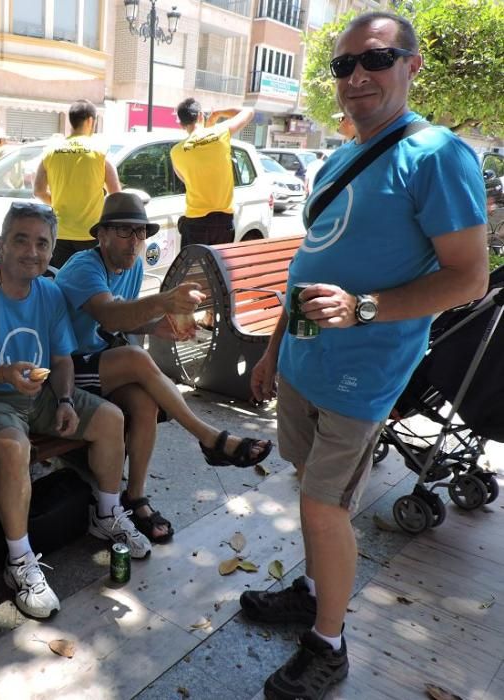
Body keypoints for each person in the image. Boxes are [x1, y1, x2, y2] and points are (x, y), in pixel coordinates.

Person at [242, 12, 488, 700]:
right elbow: (305, 262)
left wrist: (364, 309)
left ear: (410, 65)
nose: (356, 76)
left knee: (324, 505)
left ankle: (327, 643)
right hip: (303, 362)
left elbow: (467, 277)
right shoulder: (342, 152)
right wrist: (272, 349)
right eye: (342, 65)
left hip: (362, 372)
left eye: (374, 60)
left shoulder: (438, 155)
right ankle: (315, 589)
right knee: (307, 486)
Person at [0, 201, 151, 619]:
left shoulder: (49, 292)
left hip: (40, 393)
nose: (32, 251)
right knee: (15, 449)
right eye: (21, 240)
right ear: (2, 244)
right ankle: (19, 561)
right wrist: (2, 373)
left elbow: (63, 358)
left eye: (42, 244)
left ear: (52, 252)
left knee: (110, 418)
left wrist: (66, 399)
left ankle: (106, 514)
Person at [55, 192, 273, 544]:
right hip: (61, 367)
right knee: (137, 359)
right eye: (125, 232)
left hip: (97, 362)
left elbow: (125, 319)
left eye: (141, 233)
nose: (135, 242)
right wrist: (164, 302)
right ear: (102, 235)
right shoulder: (84, 268)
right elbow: (109, 314)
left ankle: (135, 497)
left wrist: (157, 324)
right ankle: (209, 438)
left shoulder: (133, 265)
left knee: (145, 402)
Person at [33, 100, 121, 269]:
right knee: (90, 285)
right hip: (92, 234)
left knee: (60, 283)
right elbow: (116, 194)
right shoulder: (100, 151)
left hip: (59, 234)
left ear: (71, 121)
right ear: (90, 121)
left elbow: (38, 191)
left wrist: (58, 202)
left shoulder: (50, 152)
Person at [170, 100, 254, 247]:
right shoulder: (221, 131)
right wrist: (218, 113)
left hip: (195, 222)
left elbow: (185, 179)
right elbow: (249, 111)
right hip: (223, 221)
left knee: (194, 269)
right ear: (201, 116)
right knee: (218, 268)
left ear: (181, 124)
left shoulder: (176, 152)